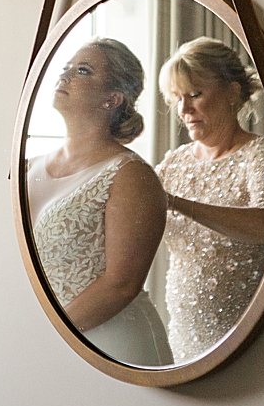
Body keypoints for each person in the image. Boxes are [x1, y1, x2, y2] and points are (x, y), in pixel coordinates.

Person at [25, 38, 172, 366]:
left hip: (112, 345)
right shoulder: (27, 167)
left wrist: (49, 336)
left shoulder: (131, 175)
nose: (65, 76)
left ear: (112, 98)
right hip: (41, 343)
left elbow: (121, 284)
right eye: (66, 68)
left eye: (82, 70)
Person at [155, 37, 264, 362]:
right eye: (177, 98)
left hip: (247, 333)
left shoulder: (261, 153)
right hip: (182, 334)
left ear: (232, 92)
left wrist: (178, 203)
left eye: (195, 95)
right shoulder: (173, 163)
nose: (184, 110)